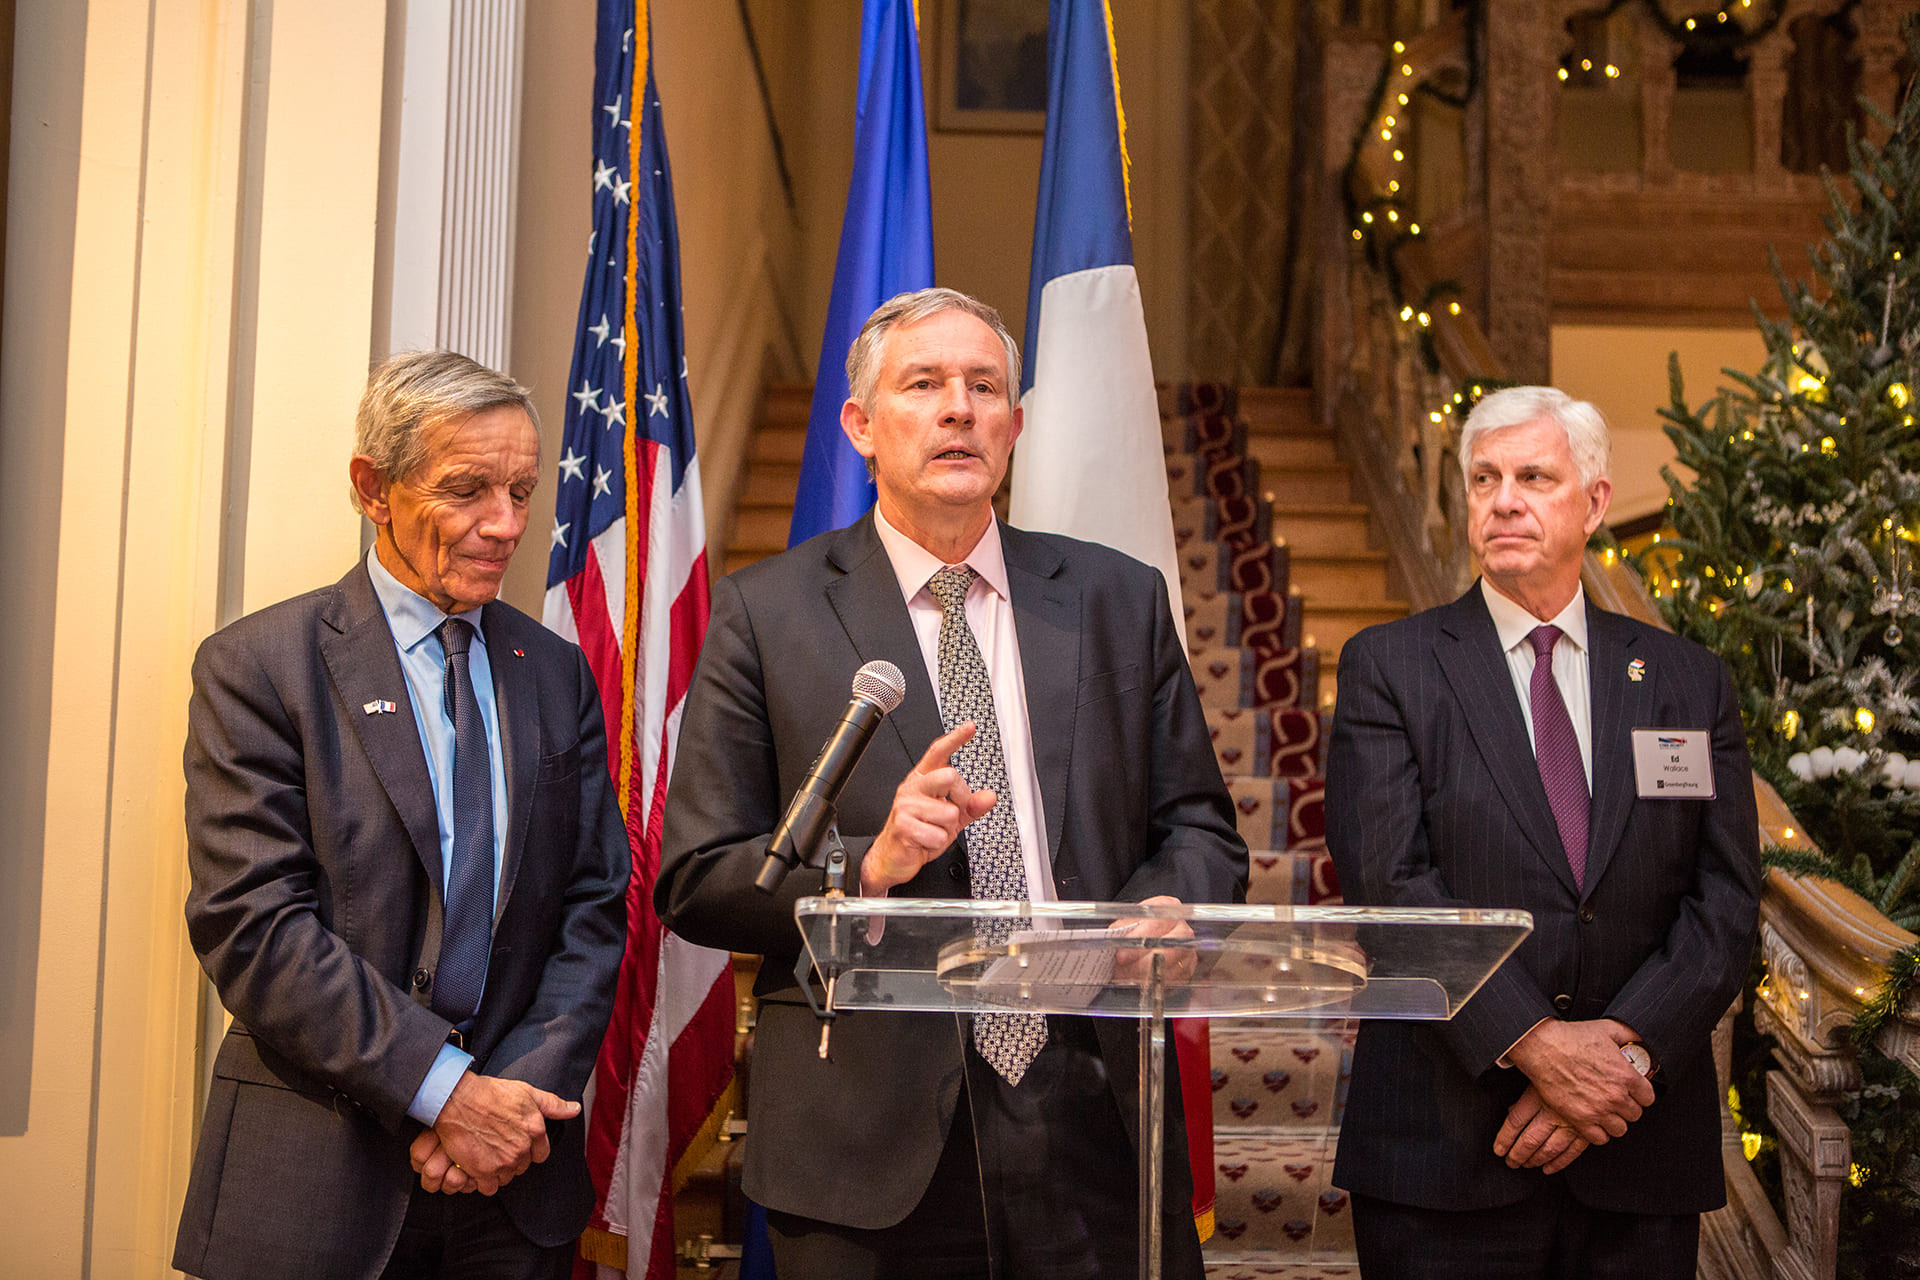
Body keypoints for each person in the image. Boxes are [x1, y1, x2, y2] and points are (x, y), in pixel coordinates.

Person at [657, 287, 1247, 1279]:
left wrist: (1166, 904)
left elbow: (1199, 826)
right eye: (924, 384)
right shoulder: (766, 613)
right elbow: (698, 876)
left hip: (1092, 1110)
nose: (960, 409)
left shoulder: (1116, 598)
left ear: (1014, 425)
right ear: (861, 425)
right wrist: (867, 866)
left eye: (984, 387)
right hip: (868, 1133)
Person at [172, 351, 629, 1280]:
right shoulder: (260, 667)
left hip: (513, 1187)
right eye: (467, 490)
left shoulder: (555, 671)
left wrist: (511, 1105)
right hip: (314, 1181)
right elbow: (253, 926)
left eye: (521, 491)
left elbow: (592, 906)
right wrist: (445, 1093)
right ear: (373, 488)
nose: (506, 525)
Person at [1325, 385, 1762, 1278]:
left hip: (1636, 1152)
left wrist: (1622, 1060)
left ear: (1595, 503)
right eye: (1484, 479)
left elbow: (1723, 901)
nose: (1504, 501)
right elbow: (1391, 888)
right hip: (1445, 1154)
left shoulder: (1687, 681)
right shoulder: (1391, 666)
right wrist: (1537, 1047)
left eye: (1534, 477)